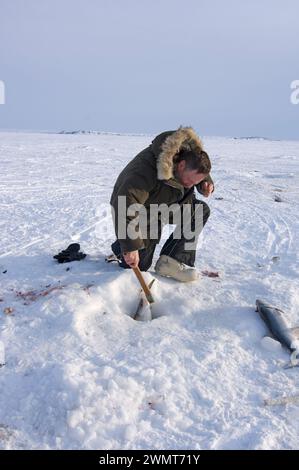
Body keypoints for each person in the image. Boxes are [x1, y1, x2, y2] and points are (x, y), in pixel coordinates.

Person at [110, 126, 214, 282]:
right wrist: (130, 246)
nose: (190, 185)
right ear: (181, 165)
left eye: (195, 182)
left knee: (198, 210)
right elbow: (125, 204)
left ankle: (173, 261)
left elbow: (199, 168)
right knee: (140, 265)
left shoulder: (191, 157)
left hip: (167, 205)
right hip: (142, 212)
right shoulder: (145, 170)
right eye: (191, 181)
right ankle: (121, 247)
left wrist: (205, 182)